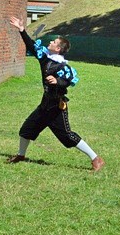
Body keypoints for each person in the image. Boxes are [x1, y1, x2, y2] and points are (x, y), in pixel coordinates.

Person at [7, 17, 104, 171]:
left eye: (54, 42)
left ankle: (96, 159)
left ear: (58, 49)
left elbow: (68, 81)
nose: (50, 42)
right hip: (45, 104)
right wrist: (21, 30)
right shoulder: (45, 58)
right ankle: (21, 155)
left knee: (67, 136)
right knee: (26, 129)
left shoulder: (62, 65)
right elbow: (31, 46)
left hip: (57, 107)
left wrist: (57, 81)